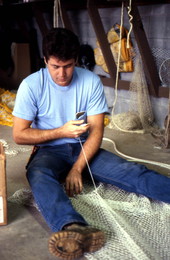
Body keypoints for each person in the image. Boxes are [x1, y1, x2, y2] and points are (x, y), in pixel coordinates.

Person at [12, 28, 170, 260]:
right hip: (49, 150)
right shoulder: (31, 85)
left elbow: (97, 130)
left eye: (68, 66)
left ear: (75, 61)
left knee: (132, 171)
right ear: (45, 60)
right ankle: (73, 228)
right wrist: (61, 131)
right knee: (38, 174)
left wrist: (77, 168)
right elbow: (19, 135)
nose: (62, 74)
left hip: (84, 147)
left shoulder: (90, 81)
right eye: (55, 66)